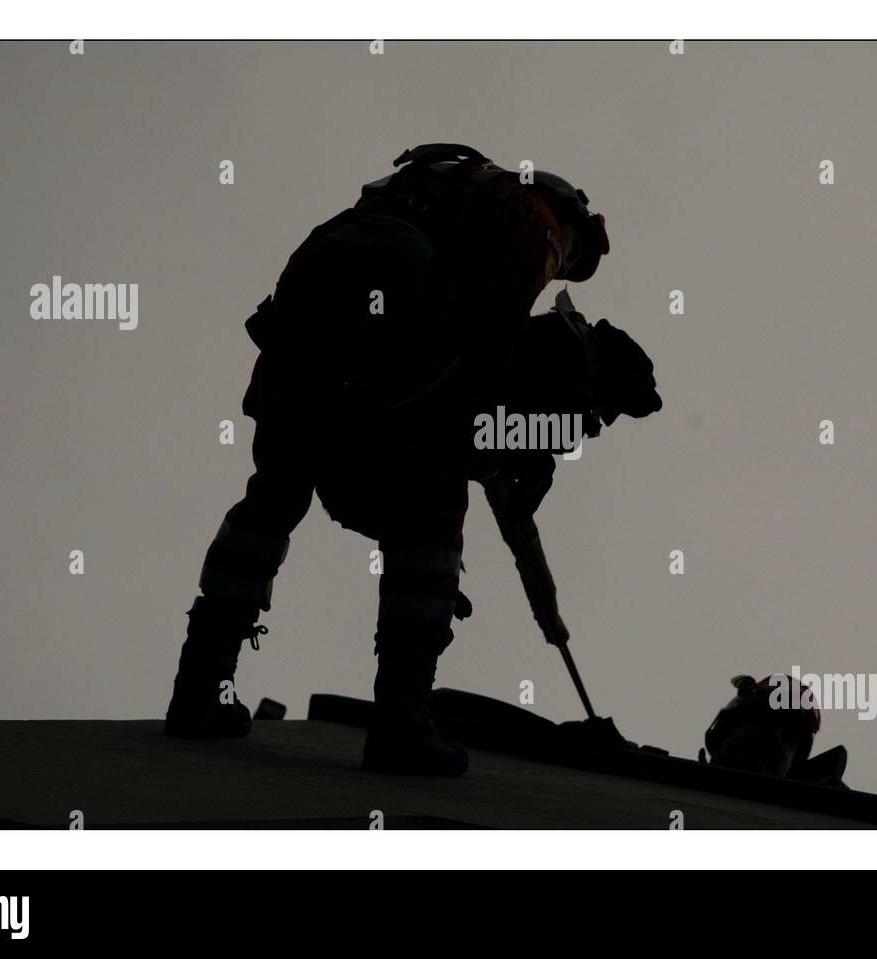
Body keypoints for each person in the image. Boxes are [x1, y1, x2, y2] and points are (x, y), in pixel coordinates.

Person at [164, 144, 662, 776]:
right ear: (568, 216)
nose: (559, 269)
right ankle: (400, 723)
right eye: (573, 258)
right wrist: (505, 444)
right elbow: (489, 342)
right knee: (431, 516)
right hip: (387, 317)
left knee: (276, 496)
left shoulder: (428, 191)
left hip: (302, 328)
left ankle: (201, 686)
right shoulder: (526, 215)